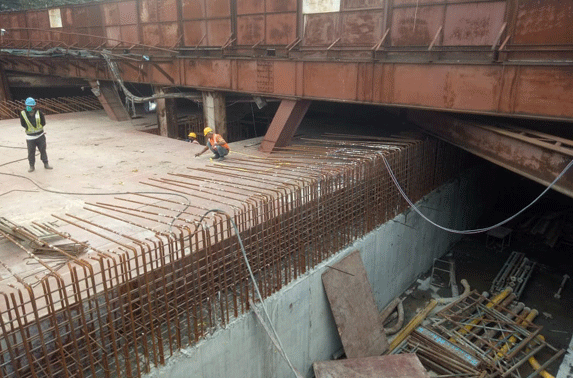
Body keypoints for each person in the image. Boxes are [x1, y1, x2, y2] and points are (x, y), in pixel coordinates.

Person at [19, 97, 52, 172]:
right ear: (26, 106)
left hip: (40, 136)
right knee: (31, 152)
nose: (30, 107)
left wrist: (38, 129)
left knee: (43, 150)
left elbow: (43, 122)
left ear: (34, 106)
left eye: (32, 106)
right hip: (30, 137)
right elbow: (23, 124)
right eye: (29, 106)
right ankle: (31, 166)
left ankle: (46, 163)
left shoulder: (39, 112)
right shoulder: (23, 113)